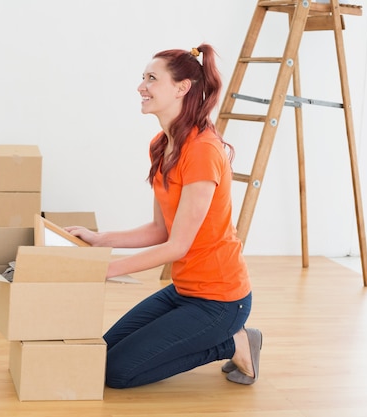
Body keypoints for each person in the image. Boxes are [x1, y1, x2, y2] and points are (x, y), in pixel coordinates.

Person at [66, 45, 261, 387]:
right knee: (101, 354)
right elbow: (161, 230)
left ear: (181, 88)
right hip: (184, 290)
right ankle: (223, 338)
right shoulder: (162, 144)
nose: (142, 86)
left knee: (116, 373)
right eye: (143, 78)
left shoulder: (203, 151)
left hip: (220, 300)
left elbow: (177, 247)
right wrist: (101, 240)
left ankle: (235, 341)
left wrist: (106, 270)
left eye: (152, 78)